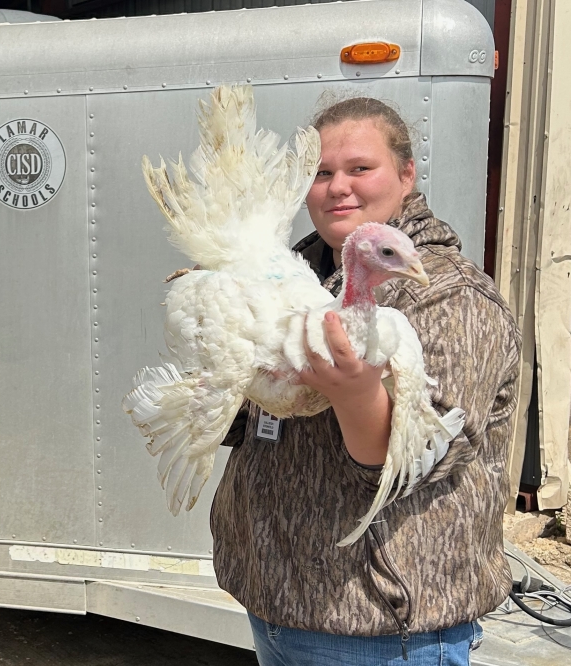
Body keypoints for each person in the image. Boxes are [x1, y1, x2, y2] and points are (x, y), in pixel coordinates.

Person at [210, 98, 520, 665]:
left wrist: (354, 394)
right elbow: (247, 420)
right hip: (276, 597)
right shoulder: (291, 278)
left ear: (407, 173)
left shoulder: (450, 297)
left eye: (359, 169)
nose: (337, 188)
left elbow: (420, 461)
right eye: (321, 173)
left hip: (376, 622)